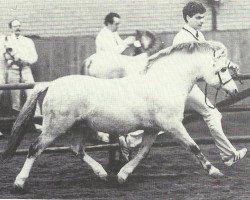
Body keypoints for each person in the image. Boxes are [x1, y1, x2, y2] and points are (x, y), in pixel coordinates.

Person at [121, 1, 247, 166]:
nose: (202, 21)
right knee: (208, 115)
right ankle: (229, 156)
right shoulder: (182, 38)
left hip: (188, 86)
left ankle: (130, 140)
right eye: (198, 18)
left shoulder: (198, 35)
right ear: (188, 17)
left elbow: (212, 57)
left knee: (168, 121)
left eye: (203, 17)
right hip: (181, 87)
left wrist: (229, 65)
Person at [4, 19, 42, 131]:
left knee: (32, 95)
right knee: (15, 100)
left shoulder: (28, 41)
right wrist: (12, 62)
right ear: (10, 28)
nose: (18, 28)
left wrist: (27, 61)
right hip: (13, 71)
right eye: (15, 26)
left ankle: (38, 124)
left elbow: (34, 57)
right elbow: (5, 56)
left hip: (26, 70)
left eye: (19, 26)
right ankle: (17, 126)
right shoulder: (6, 41)